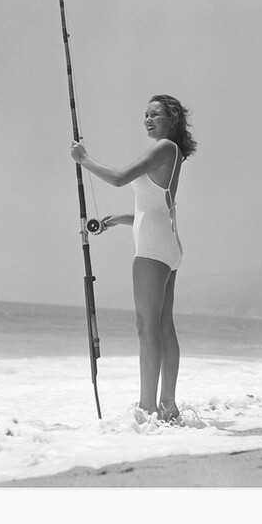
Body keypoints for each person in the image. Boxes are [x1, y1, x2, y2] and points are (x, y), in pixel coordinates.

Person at [70, 94, 197, 423]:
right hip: (166, 245)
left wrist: (84, 159)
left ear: (173, 119)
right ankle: (167, 406)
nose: (148, 119)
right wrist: (122, 219)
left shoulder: (164, 147)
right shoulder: (172, 152)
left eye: (155, 114)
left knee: (146, 327)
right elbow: (157, 206)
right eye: (145, 114)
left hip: (153, 250)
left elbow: (118, 178)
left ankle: (147, 407)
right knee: (163, 327)